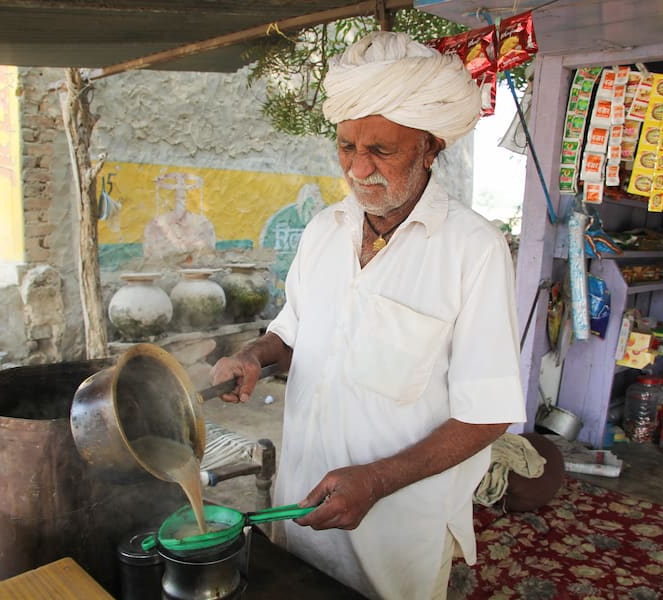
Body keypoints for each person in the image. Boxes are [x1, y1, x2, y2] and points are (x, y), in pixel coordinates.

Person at [210, 31, 526, 600]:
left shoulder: (473, 250)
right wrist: (255, 356)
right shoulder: (323, 231)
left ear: (430, 148)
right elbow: (293, 331)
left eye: (381, 151)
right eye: (347, 147)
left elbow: (489, 413)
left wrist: (377, 481)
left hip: (396, 528)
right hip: (300, 504)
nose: (358, 169)